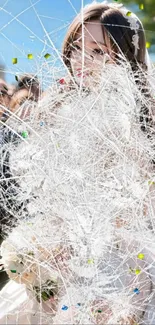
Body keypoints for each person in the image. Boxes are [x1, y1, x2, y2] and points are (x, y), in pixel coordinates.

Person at [0, 2, 155, 325]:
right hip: (62, 257)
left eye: (98, 52)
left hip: (116, 264)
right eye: (77, 48)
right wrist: (43, 243)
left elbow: (138, 211)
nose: (82, 60)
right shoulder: (57, 107)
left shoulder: (136, 121)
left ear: (124, 56)